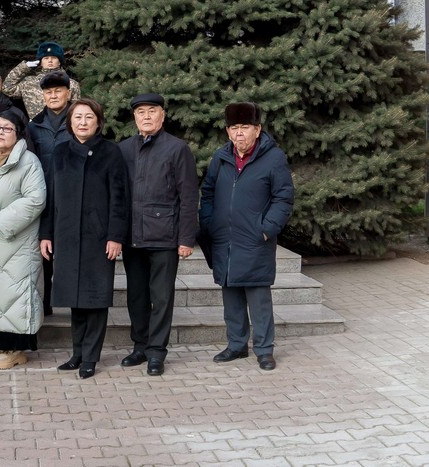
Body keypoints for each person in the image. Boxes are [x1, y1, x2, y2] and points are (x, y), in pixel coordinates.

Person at [200, 102, 294, 372]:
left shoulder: (273, 158)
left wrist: (266, 229)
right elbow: (207, 192)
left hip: (254, 239)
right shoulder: (221, 157)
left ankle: (264, 349)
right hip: (224, 240)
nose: (239, 134)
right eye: (233, 128)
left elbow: (284, 197)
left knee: (258, 298)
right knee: (231, 296)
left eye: (245, 128)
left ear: (258, 129)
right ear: (227, 131)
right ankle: (237, 345)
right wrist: (208, 222)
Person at [39, 98, 129, 379]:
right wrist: (46, 233)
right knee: (74, 299)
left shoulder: (110, 153)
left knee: (95, 298)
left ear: (98, 121)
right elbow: (51, 197)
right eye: (77, 117)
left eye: (88, 117)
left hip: (98, 238)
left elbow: (119, 198)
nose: (82, 122)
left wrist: (115, 236)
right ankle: (77, 354)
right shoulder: (61, 152)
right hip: (66, 237)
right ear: (70, 122)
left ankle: (91, 357)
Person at [117, 94, 199, 376]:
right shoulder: (124, 149)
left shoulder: (177, 149)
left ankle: (156, 352)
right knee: (136, 296)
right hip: (132, 236)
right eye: (141, 112)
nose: (147, 116)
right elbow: (117, 194)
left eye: (152, 111)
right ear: (135, 118)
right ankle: (140, 346)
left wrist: (186, 238)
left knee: (161, 297)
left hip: (165, 236)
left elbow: (188, 196)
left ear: (163, 115)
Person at [0, 110, 47, 369]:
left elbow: (35, 200)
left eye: (7, 129)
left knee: (15, 296)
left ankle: (16, 349)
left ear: (18, 134)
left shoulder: (29, 162)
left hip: (16, 243)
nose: (0, 133)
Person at [25, 71, 74, 316]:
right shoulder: (33, 125)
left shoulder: (79, 120)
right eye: (48, 92)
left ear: (68, 93)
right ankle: (44, 303)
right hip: (43, 195)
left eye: (58, 91)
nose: (53, 96)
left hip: (72, 196)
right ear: (43, 96)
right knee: (42, 251)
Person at [3, 42, 81, 116]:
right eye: (46, 58)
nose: (50, 61)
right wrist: (24, 67)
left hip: (63, 127)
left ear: (59, 61)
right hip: (36, 127)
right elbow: (7, 88)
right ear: (40, 62)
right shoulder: (29, 83)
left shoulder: (71, 84)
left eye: (53, 58)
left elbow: (76, 110)